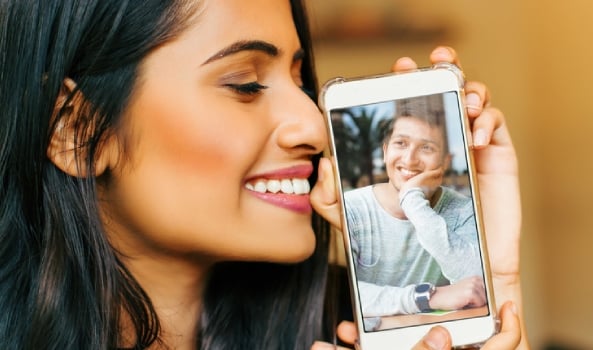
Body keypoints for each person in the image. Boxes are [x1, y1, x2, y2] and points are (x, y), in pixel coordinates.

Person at [0, 1, 528, 349]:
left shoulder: (358, 326)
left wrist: (498, 288)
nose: (313, 125)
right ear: (76, 129)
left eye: (300, 78)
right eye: (245, 83)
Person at [344, 99, 487, 320]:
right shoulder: (351, 207)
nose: (410, 159)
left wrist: (412, 199)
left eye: (426, 147)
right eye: (401, 143)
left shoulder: (461, 210)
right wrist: (426, 297)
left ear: (445, 162)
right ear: (385, 151)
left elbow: (477, 284)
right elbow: (347, 296)